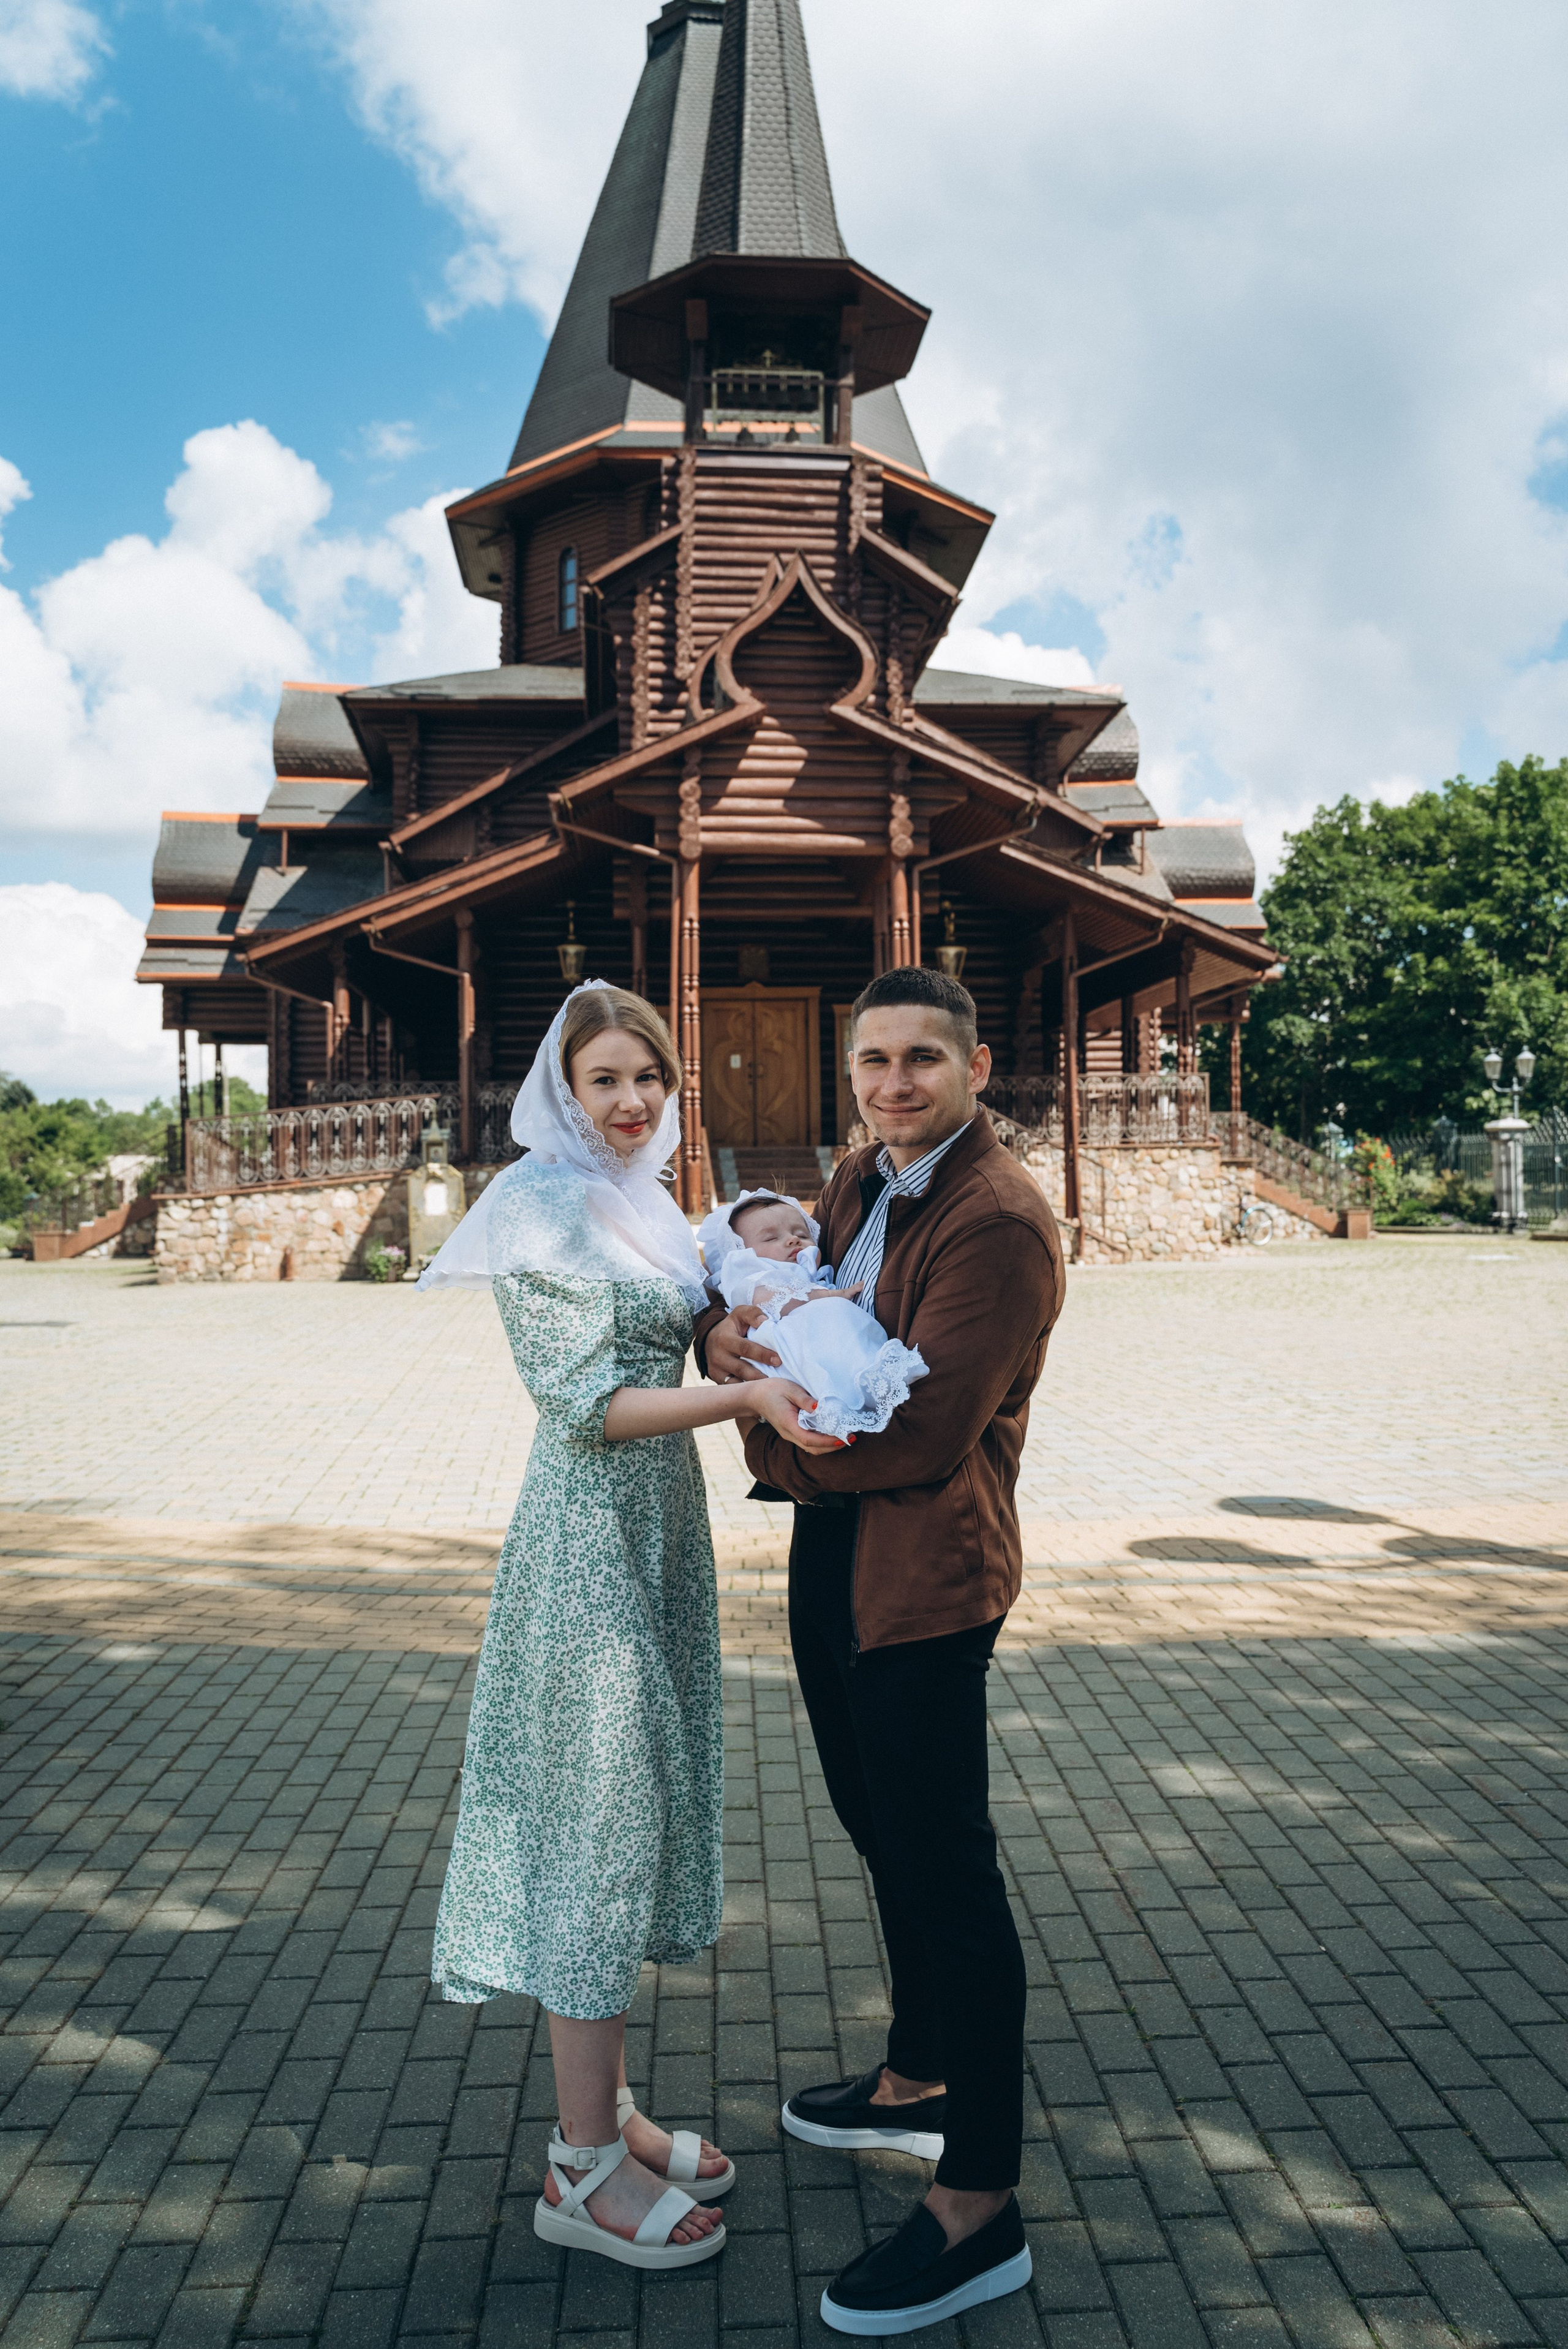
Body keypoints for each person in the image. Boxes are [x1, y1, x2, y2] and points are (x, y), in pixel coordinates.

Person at [418, 979, 837, 2274]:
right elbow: (584, 1403)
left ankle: (612, 2115)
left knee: (632, 1818)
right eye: (604, 1079)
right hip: (588, 1545)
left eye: (647, 1077)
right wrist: (753, 1401)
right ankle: (576, 2169)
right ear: (563, 1086)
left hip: (657, 1536)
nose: (630, 1100)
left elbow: (675, 1331)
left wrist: (725, 1331)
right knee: (595, 1833)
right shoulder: (539, 1205)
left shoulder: (643, 1196)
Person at [698, 965, 1067, 2334]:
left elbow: (914, 1434)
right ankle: (917, 2077)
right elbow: (761, 1299)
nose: (893, 1081)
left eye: (921, 1058)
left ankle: (981, 2207)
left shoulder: (998, 1222)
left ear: (974, 1069)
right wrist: (734, 1343)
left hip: (923, 1573)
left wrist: (749, 1415)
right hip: (834, 1547)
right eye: (871, 1059)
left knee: (943, 1867)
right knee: (873, 1827)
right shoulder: (859, 1179)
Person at [697, 1191, 929, 1444]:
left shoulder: (807, 1273)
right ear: (740, 1253)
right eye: (772, 1237)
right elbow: (774, 1299)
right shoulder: (753, 1276)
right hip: (793, 1347)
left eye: (802, 1234)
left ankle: (873, 1382)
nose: (793, 1240)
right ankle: (838, 1402)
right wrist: (834, 1294)